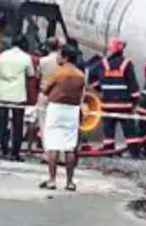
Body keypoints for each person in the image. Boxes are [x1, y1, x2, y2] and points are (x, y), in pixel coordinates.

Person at [40, 43, 86, 192]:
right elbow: (82, 95)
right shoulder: (80, 75)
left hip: (56, 108)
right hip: (72, 110)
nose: (58, 57)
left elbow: (45, 89)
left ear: (65, 57)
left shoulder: (57, 72)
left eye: (60, 55)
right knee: (69, 146)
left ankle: (52, 180)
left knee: (53, 145)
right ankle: (70, 182)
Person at [88, 37, 140, 155]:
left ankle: (108, 151)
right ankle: (134, 152)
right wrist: (135, 101)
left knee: (108, 131)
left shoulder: (102, 63)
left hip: (107, 104)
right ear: (121, 49)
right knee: (130, 132)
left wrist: (99, 89)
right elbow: (133, 85)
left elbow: (90, 75)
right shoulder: (127, 63)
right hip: (124, 106)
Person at [0, 35, 33, 161]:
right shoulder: (26, 57)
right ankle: (15, 152)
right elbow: (31, 74)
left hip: (3, 93)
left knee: (2, 123)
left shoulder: (2, 55)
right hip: (18, 95)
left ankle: (4, 150)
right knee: (17, 125)